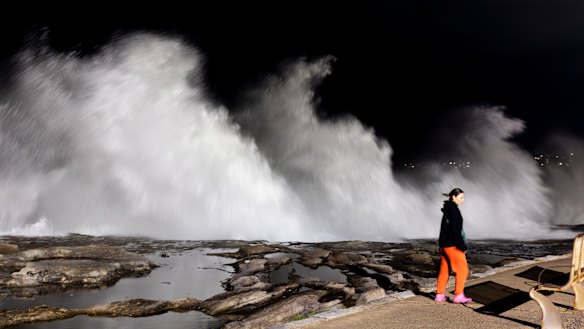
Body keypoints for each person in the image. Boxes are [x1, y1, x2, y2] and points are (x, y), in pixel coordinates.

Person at [434, 187, 472, 303]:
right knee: (462, 270)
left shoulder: (448, 208)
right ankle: (458, 295)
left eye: (463, 197)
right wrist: (462, 246)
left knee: (445, 270)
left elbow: (446, 229)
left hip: (444, 245)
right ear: (453, 197)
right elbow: (455, 230)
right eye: (461, 198)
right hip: (452, 245)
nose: (463, 200)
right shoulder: (453, 210)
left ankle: (439, 295)